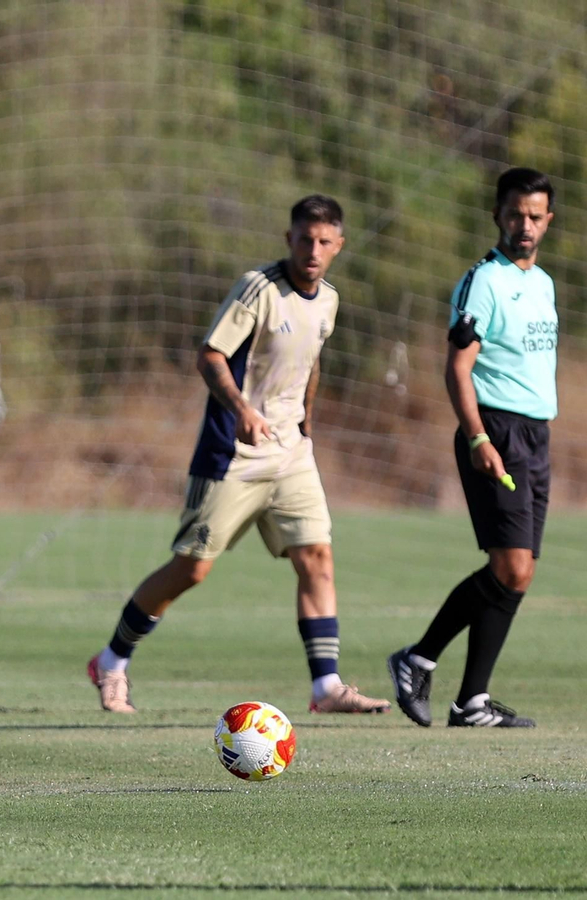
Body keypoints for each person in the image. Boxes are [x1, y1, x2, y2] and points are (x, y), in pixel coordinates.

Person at [87, 195, 391, 716]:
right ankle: (111, 661)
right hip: (234, 453)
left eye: (324, 242)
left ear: (338, 246)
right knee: (192, 569)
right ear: (288, 239)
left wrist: (307, 419)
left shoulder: (328, 301)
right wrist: (243, 409)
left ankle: (326, 687)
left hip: (292, 452)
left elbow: (311, 363)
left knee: (317, 556)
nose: (312, 250)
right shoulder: (259, 289)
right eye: (304, 239)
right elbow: (210, 354)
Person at [388, 168, 558, 728]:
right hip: (497, 431)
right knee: (510, 565)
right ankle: (416, 660)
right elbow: (457, 366)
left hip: (535, 434)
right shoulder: (484, 281)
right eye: (515, 214)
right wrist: (479, 437)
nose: (524, 225)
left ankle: (472, 702)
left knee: (521, 571)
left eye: (535, 215)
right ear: (497, 216)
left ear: (547, 219)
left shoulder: (544, 282)